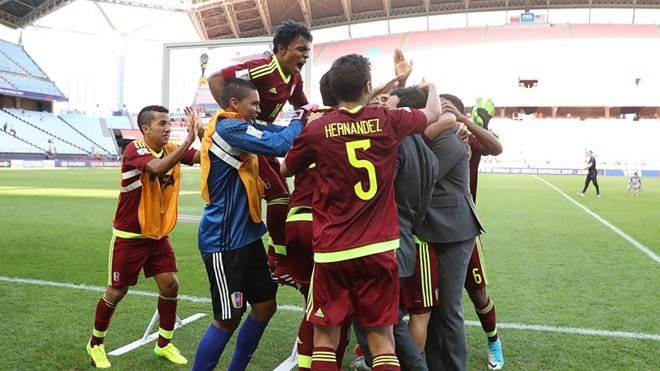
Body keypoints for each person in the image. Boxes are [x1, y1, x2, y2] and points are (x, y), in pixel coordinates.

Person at [281, 54, 440, 370]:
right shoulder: (388, 120)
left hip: (332, 250)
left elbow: (286, 168)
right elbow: (434, 112)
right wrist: (430, 84)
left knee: (325, 338)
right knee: (382, 340)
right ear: (368, 86)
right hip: (379, 248)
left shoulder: (317, 129)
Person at [192, 78, 313, 371]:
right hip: (223, 242)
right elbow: (280, 144)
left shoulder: (241, 126)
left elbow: (275, 131)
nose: (259, 110)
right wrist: (300, 117)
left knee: (264, 307)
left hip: (246, 237)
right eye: (254, 104)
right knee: (228, 318)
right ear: (235, 104)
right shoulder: (228, 127)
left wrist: (305, 125)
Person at [85, 105, 202, 369]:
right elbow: (158, 169)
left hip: (156, 235)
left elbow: (200, 157)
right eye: (162, 123)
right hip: (129, 236)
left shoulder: (170, 148)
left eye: (169, 122)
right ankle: (95, 344)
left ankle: (164, 344)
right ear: (145, 129)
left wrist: (204, 133)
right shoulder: (135, 149)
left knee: (171, 285)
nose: (168, 127)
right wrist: (187, 141)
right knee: (117, 292)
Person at [207, 20, 313, 284]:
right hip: (253, 142)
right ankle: (280, 262)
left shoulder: (294, 78)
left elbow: (305, 108)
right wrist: (234, 119)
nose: (306, 55)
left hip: (264, 137)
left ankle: (273, 257)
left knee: (282, 197)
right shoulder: (263, 68)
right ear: (281, 48)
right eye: (301, 49)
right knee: (278, 197)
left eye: (308, 51)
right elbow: (215, 79)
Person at [416, 98, 485, 371]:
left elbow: (422, 176)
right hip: (433, 229)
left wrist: (459, 123)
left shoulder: (451, 139)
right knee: (433, 307)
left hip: (454, 230)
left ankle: (455, 366)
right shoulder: (437, 135)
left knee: (448, 307)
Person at [441, 95, 506, 370]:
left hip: (464, 230)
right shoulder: (426, 134)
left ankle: (494, 343)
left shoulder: (466, 136)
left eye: (446, 108)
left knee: (477, 294)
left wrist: (465, 119)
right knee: (418, 295)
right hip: (428, 230)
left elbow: (496, 147)